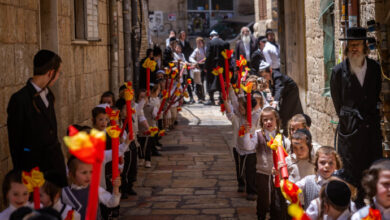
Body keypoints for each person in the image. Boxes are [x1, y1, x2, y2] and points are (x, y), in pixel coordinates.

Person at [330, 27, 383, 208]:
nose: (354, 48)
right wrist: (348, 120)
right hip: (350, 131)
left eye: (358, 45)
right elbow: (338, 102)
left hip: (370, 129)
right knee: (351, 169)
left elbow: (376, 94)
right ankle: (356, 206)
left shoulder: (375, 68)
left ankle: (374, 204)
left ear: (364, 46)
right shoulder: (338, 71)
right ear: (347, 47)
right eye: (351, 45)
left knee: (373, 165)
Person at [7, 49, 68, 187]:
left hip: (55, 171)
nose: (58, 76)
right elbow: (15, 143)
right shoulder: (19, 99)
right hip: (34, 173)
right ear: (50, 73)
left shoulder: (49, 95)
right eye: (58, 73)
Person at [250, 107, 288, 220]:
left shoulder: (282, 137)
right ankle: (260, 217)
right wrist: (248, 134)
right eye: (265, 120)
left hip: (278, 175)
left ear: (276, 120)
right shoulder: (258, 135)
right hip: (263, 173)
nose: (268, 122)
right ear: (261, 121)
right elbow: (249, 147)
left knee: (276, 201)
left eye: (271, 119)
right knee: (263, 199)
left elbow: (288, 154)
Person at [224, 87, 260, 201]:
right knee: (240, 167)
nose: (238, 108)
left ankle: (251, 190)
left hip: (251, 148)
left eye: (242, 107)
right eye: (239, 107)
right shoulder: (238, 117)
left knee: (250, 170)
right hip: (238, 146)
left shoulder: (256, 116)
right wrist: (227, 96)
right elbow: (233, 105)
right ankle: (241, 183)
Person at [259, 61, 303, 135]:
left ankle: (287, 131)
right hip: (284, 93)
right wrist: (273, 98)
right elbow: (273, 88)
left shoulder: (277, 76)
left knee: (287, 110)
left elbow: (279, 88)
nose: (265, 78)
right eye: (263, 76)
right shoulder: (270, 78)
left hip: (291, 92)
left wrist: (275, 102)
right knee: (284, 111)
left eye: (266, 75)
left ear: (270, 71)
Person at [205, 30, 230, 105]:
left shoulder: (210, 43)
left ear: (211, 37)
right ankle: (222, 99)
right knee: (221, 81)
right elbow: (228, 56)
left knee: (210, 81)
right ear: (218, 36)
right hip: (223, 65)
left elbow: (208, 56)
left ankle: (211, 99)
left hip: (212, 66)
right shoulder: (225, 43)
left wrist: (206, 66)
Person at [189, 37, 207, 103]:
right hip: (199, 66)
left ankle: (204, 96)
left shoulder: (205, 49)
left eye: (200, 42)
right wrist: (195, 62)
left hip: (205, 66)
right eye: (198, 42)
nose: (199, 44)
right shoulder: (196, 50)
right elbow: (190, 57)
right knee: (199, 82)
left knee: (205, 83)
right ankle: (200, 96)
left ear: (202, 43)